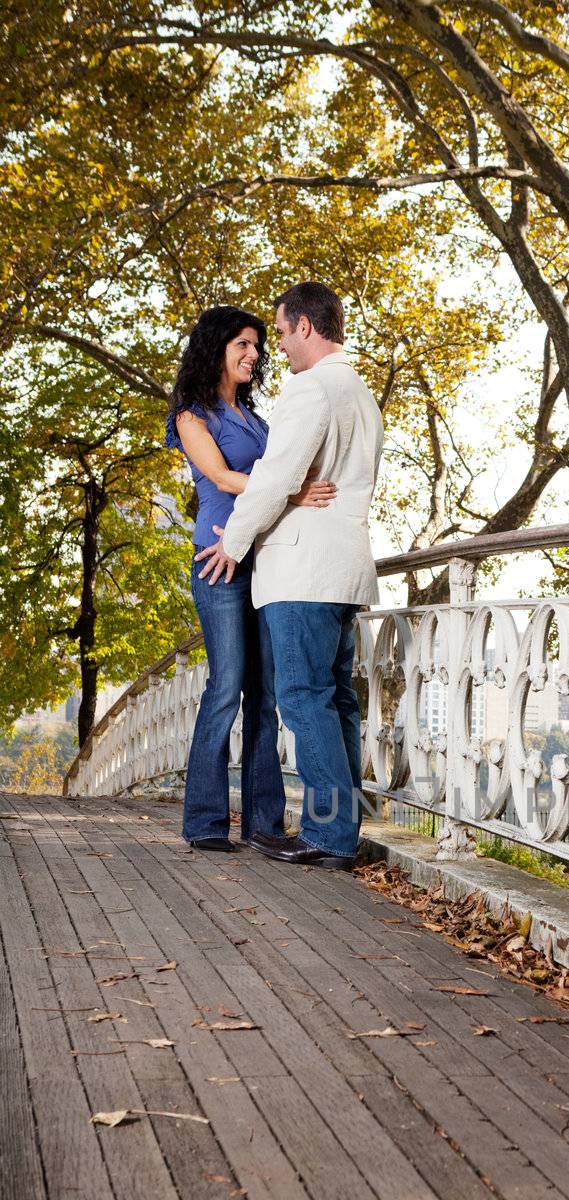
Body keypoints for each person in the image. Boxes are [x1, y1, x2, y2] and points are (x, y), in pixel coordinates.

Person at [195, 282, 384, 870]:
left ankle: (331, 836)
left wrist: (236, 541)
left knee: (304, 701)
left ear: (305, 326)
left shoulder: (310, 391)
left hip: (303, 571)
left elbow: (276, 479)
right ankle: (345, 824)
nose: (277, 345)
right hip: (346, 567)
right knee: (339, 702)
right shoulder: (361, 392)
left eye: (278, 331)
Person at [166, 306, 337, 852]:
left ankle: (265, 825)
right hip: (218, 561)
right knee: (226, 686)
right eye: (243, 343)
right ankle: (206, 823)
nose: (254, 354)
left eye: (259, 346)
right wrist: (289, 490)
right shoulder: (192, 415)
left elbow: (283, 470)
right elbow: (218, 476)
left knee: (264, 694)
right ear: (216, 347)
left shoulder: (258, 420)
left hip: (263, 562)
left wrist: (291, 487)